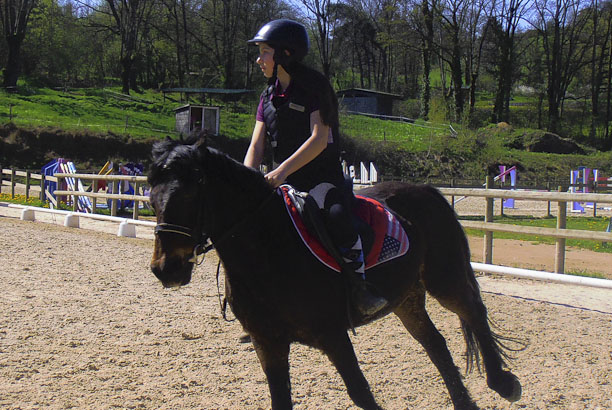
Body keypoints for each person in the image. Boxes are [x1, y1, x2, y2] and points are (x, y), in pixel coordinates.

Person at [244, 18, 388, 317]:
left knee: (337, 217)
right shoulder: (267, 96)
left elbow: (319, 139)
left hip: (320, 180)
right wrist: (246, 178)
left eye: (264, 52)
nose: (259, 60)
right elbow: (256, 145)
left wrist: (281, 171)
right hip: (280, 182)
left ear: (284, 54)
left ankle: (359, 288)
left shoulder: (315, 88)